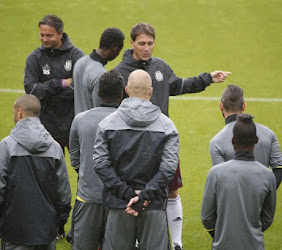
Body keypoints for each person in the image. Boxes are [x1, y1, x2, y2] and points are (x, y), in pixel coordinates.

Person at [115, 22, 231, 250]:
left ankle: (176, 242)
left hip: (162, 141)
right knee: (135, 190)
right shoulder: (121, 72)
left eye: (150, 43)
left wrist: (207, 78)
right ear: (132, 43)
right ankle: (137, 239)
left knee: (171, 190)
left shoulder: (160, 67)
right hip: (134, 144)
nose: (146, 48)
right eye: (142, 43)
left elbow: (178, 86)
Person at [93, 69, 179, 250]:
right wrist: (144, 196)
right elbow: (169, 168)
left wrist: (128, 195)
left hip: (119, 204)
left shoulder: (107, 124)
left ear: (126, 90)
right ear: (151, 91)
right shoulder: (167, 126)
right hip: (153, 204)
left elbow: (100, 164)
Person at [0, 94, 72, 250]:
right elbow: (64, 194)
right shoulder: (54, 148)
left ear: (19, 113)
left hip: (14, 232)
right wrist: (59, 220)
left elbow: (0, 189)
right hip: (46, 232)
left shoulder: (6, 146)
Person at [202, 114, 277, 250]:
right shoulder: (268, 176)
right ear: (256, 140)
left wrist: (221, 233)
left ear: (233, 140)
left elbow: (207, 218)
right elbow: (267, 218)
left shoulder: (216, 173)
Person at [69, 70, 124, 250]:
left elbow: (75, 159)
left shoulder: (80, 119)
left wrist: (88, 173)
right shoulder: (127, 122)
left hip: (87, 198)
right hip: (119, 199)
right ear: (121, 93)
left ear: (98, 93)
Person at [24, 14, 84, 154]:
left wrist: (44, 89)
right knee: (50, 173)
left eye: (49, 36)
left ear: (60, 34)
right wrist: (60, 84)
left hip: (73, 127)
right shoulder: (34, 58)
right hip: (46, 128)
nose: (44, 39)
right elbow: (31, 89)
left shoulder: (76, 55)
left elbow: (80, 89)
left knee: (82, 170)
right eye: (42, 35)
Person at [209, 84, 282, 189]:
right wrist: (266, 194)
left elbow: (222, 180)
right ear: (244, 106)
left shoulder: (216, 142)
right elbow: (280, 167)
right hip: (262, 203)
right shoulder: (268, 133)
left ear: (221, 106)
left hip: (233, 203)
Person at [73, 28, 125, 115]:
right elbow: (99, 112)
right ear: (114, 49)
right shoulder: (99, 74)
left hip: (78, 123)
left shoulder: (80, 62)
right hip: (92, 126)